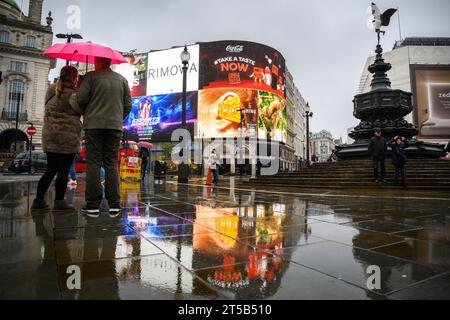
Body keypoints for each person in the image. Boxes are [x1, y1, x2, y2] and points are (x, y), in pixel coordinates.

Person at [74, 56, 132, 218]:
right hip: (114, 127)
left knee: (93, 163)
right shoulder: (122, 80)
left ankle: (92, 204)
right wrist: (117, 118)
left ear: (97, 62)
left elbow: (81, 100)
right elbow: (128, 105)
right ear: (110, 62)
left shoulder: (90, 77)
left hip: (93, 126)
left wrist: (82, 88)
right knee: (111, 164)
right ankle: (114, 204)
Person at [32, 66, 82, 210]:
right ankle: (59, 202)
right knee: (63, 171)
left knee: (50, 170)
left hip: (50, 136)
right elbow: (82, 110)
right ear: (74, 77)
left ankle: (38, 200)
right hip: (68, 137)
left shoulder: (51, 89)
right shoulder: (74, 94)